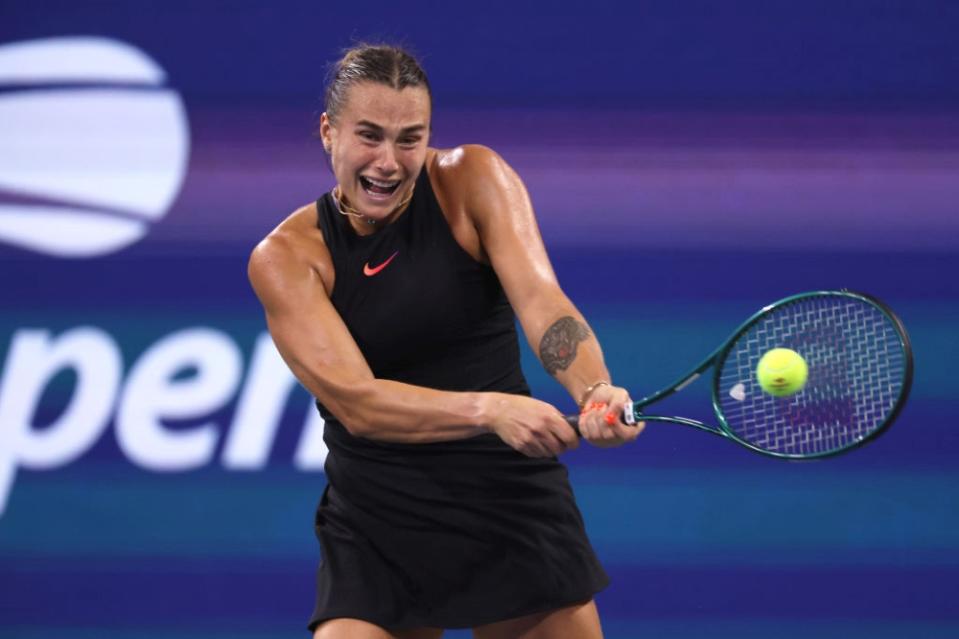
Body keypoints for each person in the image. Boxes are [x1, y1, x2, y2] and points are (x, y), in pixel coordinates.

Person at [248, 43, 644, 639]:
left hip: (506, 498)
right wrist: (489, 409)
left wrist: (593, 387)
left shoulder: (472, 179)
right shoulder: (289, 257)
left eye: (410, 138)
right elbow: (359, 404)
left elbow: (543, 303)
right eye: (369, 135)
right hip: (380, 516)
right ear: (328, 132)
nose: (388, 161)